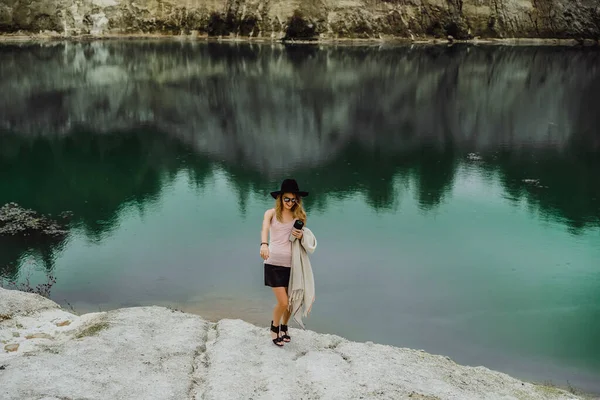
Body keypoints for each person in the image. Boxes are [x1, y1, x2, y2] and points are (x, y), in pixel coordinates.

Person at [260, 178, 308, 346]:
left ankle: (285, 326)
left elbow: (302, 240)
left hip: (292, 265)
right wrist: (264, 244)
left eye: (293, 199)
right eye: (286, 198)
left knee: (292, 301)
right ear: (280, 198)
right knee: (283, 302)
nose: (289, 202)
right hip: (273, 262)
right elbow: (265, 228)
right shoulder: (271, 213)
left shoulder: (300, 215)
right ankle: (274, 327)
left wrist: (302, 236)